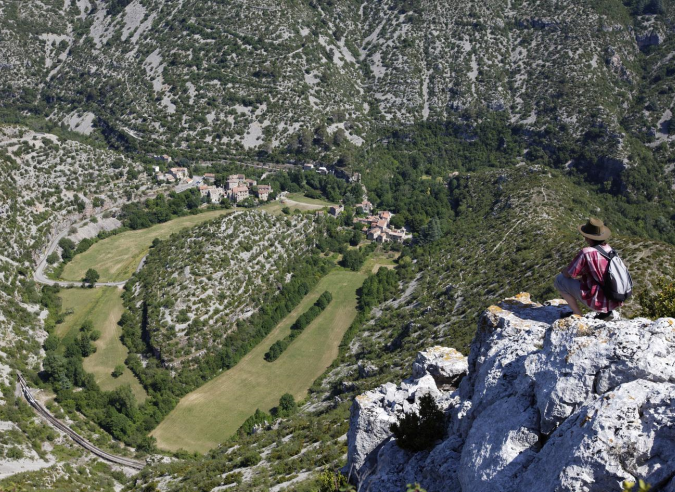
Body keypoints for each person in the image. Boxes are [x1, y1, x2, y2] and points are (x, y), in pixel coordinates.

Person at [554, 218, 623, 319]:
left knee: (559, 280)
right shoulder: (611, 250)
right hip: (614, 299)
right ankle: (606, 313)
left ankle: (577, 315)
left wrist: (564, 270)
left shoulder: (586, 253)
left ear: (588, 237)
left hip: (598, 302)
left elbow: (568, 274)